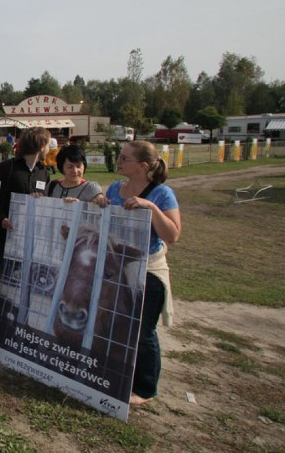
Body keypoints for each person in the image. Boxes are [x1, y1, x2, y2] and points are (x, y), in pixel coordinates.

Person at [97, 140, 181, 406]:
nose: (119, 161)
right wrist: (100, 203)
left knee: (143, 331)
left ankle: (145, 388)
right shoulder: (115, 188)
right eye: (119, 156)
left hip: (148, 269)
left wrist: (151, 208)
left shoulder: (162, 193)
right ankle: (113, 372)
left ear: (143, 166)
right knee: (113, 321)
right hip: (116, 265)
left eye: (125, 158)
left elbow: (173, 235)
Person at [0, 127, 51, 279]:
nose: (49, 149)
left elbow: (47, 203)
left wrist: (41, 200)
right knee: (9, 282)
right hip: (8, 239)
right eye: (49, 145)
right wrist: (2, 219)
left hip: (34, 240)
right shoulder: (6, 168)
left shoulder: (44, 172)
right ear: (41, 145)